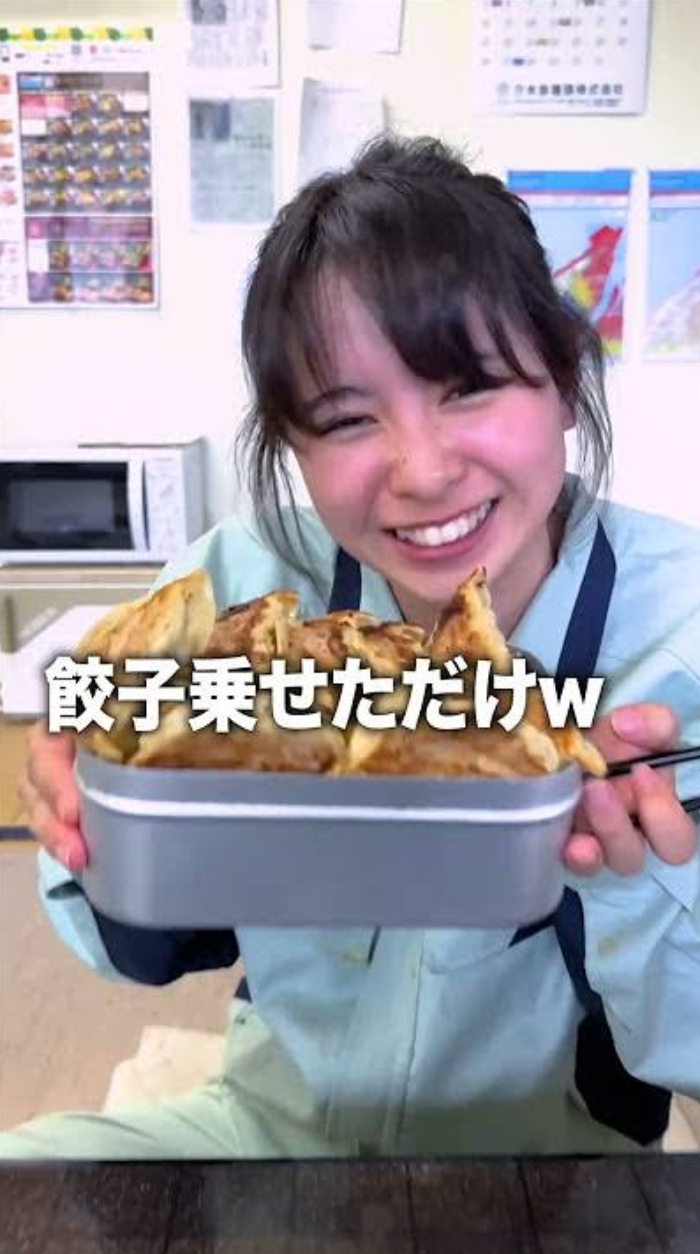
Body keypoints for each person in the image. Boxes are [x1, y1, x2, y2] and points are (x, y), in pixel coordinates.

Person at [3, 134, 700, 1161]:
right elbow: (140, 946)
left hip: (553, 1170)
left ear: (562, 378)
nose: (422, 471)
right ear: (292, 444)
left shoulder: (678, 636)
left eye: (468, 386)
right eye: (344, 419)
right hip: (266, 1128)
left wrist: (632, 881)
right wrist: (104, 813)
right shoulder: (235, 592)